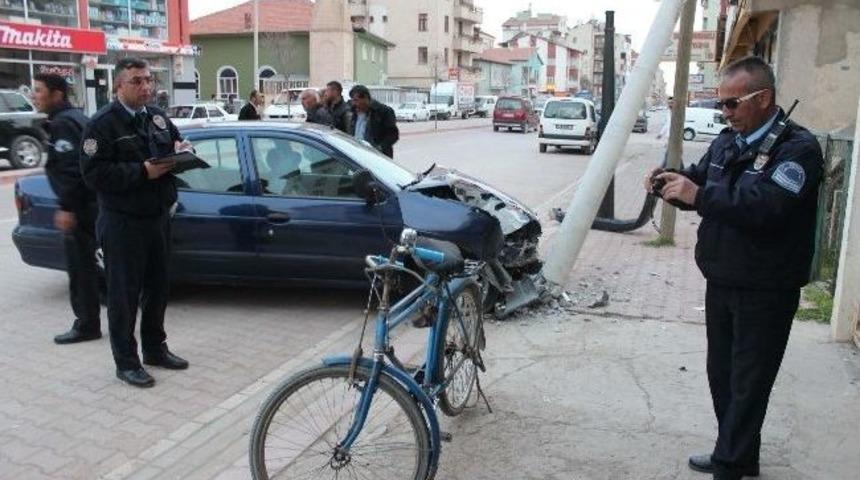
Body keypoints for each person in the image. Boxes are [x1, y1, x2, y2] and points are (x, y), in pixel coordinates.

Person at [645, 56, 823, 480]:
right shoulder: (728, 141)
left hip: (767, 285)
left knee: (749, 381)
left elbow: (767, 208)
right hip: (723, 276)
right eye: (720, 104)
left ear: (763, 99)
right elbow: (700, 179)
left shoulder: (797, 149)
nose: (724, 113)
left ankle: (731, 464)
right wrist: (669, 183)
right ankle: (739, 453)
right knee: (722, 375)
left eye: (731, 104)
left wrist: (698, 195)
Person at [80, 57, 191, 388]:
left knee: (158, 289)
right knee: (124, 295)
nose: (145, 87)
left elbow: (173, 143)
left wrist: (182, 150)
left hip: (157, 218)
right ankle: (126, 362)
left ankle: (155, 349)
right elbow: (93, 174)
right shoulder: (101, 125)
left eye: (148, 80)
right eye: (136, 81)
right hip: (122, 223)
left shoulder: (155, 116)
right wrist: (141, 171)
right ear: (118, 85)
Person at [31, 73, 102, 345]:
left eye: (39, 90)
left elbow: (74, 169)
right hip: (90, 203)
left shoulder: (64, 124)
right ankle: (90, 320)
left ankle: (86, 325)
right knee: (90, 265)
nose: (34, 95)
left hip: (82, 207)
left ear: (57, 94)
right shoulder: (75, 118)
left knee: (81, 267)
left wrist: (66, 207)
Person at [348, 84, 399, 158]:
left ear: (365, 98)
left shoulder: (383, 111)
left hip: (377, 157)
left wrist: (380, 148)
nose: (354, 103)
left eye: (356, 100)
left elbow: (393, 135)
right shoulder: (353, 112)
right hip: (357, 154)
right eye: (352, 100)